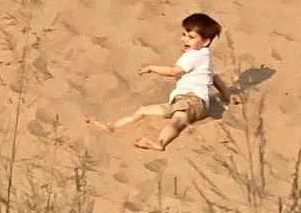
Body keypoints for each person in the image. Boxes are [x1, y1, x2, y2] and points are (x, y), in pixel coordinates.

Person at [88, 13, 231, 152]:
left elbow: (173, 71)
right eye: (184, 34)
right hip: (180, 101)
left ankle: (160, 142)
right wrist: (228, 97)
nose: (185, 39)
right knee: (144, 110)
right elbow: (213, 78)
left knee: (178, 119)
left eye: (191, 37)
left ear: (205, 42)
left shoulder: (193, 56)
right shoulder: (204, 56)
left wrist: (151, 68)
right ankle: (114, 126)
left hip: (193, 102)